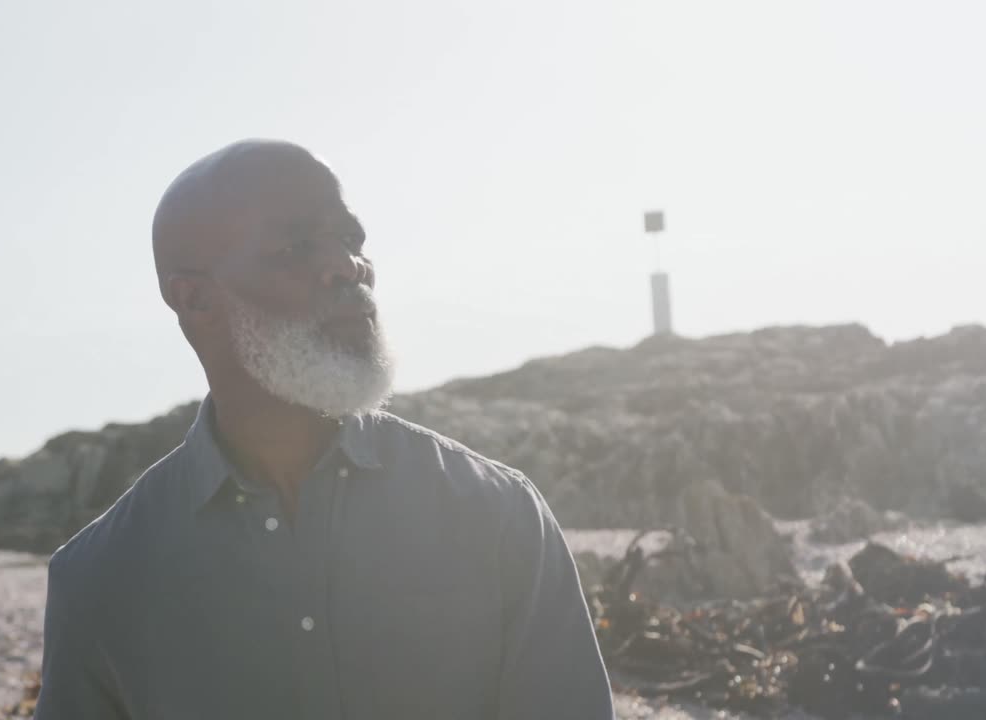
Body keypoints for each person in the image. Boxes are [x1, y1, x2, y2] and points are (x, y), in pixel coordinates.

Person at [33, 139, 614, 719]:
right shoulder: (100, 579)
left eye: (351, 241)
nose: (346, 266)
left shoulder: (498, 514)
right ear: (194, 297)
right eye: (297, 245)